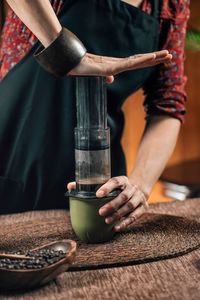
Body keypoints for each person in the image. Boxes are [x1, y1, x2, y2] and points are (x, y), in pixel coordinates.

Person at [0, 0, 189, 232]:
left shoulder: (172, 5)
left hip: (99, 179)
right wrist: (68, 54)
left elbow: (167, 104)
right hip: (13, 159)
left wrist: (138, 188)